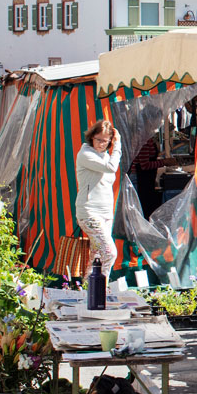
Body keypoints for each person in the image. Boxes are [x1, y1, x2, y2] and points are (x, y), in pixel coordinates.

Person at [76, 121, 123, 282]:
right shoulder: (85, 154)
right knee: (109, 252)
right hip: (89, 212)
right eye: (98, 139)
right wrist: (117, 146)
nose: (102, 144)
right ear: (91, 137)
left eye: (106, 141)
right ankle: (100, 288)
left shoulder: (104, 155)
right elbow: (111, 168)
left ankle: (87, 289)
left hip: (105, 212)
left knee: (96, 255)